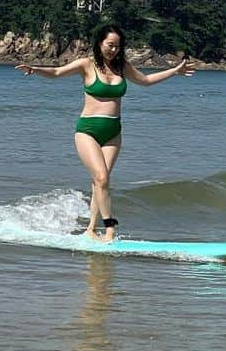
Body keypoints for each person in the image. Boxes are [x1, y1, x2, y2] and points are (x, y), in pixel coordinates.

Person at [16, 25, 194, 242]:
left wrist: (175, 71)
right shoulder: (86, 65)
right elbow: (57, 72)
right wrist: (35, 69)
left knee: (100, 182)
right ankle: (110, 227)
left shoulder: (122, 67)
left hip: (113, 132)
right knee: (101, 177)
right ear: (99, 43)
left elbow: (146, 81)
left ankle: (90, 229)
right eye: (110, 45)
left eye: (117, 47)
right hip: (88, 131)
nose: (113, 50)